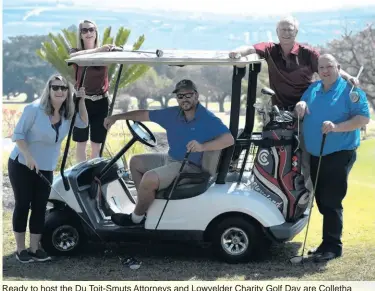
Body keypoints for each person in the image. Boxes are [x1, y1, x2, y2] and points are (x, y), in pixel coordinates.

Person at [228, 15, 360, 194]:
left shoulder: (307, 53)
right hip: (281, 114)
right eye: (283, 29)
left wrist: (349, 77)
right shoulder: (270, 49)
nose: (286, 33)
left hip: (306, 110)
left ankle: (306, 196)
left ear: (296, 32)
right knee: (282, 155)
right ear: (277, 32)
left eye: (290, 29)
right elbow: (250, 48)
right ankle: (283, 193)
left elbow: (328, 66)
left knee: (304, 154)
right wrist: (238, 53)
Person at [103, 79, 234, 227]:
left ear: (196, 96)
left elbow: (229, 139)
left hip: (189, 166)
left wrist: (202, 146)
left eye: (188, 95)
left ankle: (135, 219)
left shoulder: (208, 118)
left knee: (149, 178)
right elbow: (144, 115)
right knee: (135, 162)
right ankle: (144, 209)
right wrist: (116, 117)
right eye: (180, 96)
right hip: (171, 159)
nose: (184, 99)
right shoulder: (172, 114)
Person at [295, 54, 370, 262]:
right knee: (321, 199)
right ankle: (326, 243)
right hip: (316, 153)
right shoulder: (314, 88)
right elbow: (302, 105)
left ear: (338, 67)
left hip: (339, 152)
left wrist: (336, 128)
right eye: (322, 67)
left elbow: (363, 118)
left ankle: (333, 247)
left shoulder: (350, 91)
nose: (325, 70)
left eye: (330, 66)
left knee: (331, 199)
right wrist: (299, 106)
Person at [8, 74, 88, 263]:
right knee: (23, 204)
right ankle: (21, 249)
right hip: (22, 164)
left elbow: (84, 123)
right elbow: (18, 134)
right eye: (55, 87)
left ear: (68, 92)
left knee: (40, 206)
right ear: (49, 90)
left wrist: (82, 100)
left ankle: (35, 248)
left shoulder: (68, 113)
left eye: (63, 88)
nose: (59, 91)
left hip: (45, 167)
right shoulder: (33, 109)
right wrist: (28, 156)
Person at [69, 20, 114, 163]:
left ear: (96, 32)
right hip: (82, 100)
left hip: (101, 101)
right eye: (84, 30)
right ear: (80, 35)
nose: (88, 33)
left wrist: (108, 50)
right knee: (81, 142)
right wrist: (99, 50)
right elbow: (75, 58)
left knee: (97, 143)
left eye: (91, 30)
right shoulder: (75, 51)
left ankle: (94, 177)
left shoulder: (106, 52)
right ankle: (81, 174)